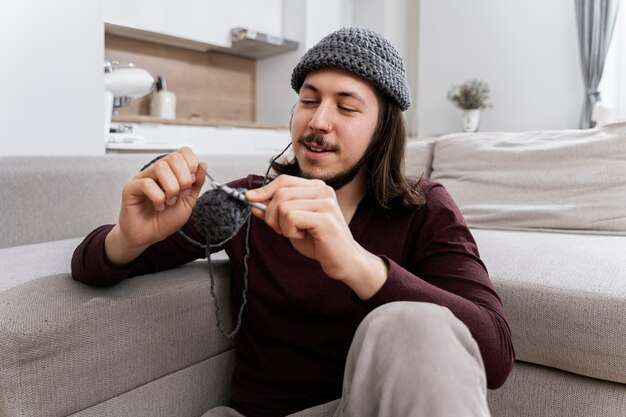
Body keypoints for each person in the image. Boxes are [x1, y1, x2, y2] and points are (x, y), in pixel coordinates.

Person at [72, 27, 514, 417]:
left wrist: (357, 265)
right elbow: (90, 265)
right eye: (308, 100)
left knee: (414, 323)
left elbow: (493, 355)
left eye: (346, 107)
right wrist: (127, 239)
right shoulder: (250, 202)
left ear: (382, 129)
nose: (318, 121)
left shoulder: (424, 209)